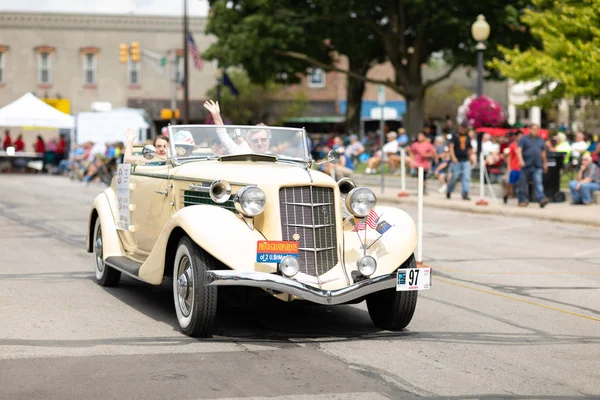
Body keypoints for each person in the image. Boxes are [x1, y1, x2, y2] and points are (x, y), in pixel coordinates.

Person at [203, 99, 270, 154]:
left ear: (268, 140)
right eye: (255, 141)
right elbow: (224, 136)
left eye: (263, 140)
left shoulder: (277, 158)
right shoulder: (244, 153)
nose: (260, 143)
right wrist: (216, 115)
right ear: (249, 143)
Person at [516, 124, 549, 208]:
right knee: (523, 184)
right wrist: (520, 160)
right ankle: (522, 200)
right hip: (526, 165)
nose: (535, 131)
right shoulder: (524, 139)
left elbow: (543, 152)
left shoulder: (540, 140)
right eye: (533, 129)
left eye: (537, 129)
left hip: (537, 165)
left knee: (538, 182)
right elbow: (519, 150)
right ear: (529, 129)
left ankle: (541, 199)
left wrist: (545, 163)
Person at [446, 122, 474, 200]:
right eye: (462, 127)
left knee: (466, 177)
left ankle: (465, 193)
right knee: (455, 176)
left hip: (465, 160)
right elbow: (451, 147)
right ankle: (449, 190)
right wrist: (453, 157)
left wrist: (470, 158)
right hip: (457, 160)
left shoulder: (467, 137)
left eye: (465, 127)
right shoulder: (454, 136)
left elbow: (469, 148)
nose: (463, 129)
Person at [503, 131, 522, 204]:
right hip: (514, 168)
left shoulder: (523, 145)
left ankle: (521, 199)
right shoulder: (513, 145)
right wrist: (509, 166)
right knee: (510, 184)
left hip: (521, 168)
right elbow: (509, 156)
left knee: (521, 184)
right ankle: (506, 195)